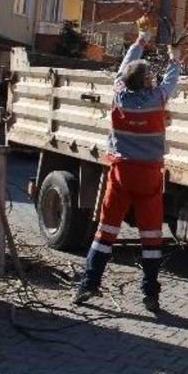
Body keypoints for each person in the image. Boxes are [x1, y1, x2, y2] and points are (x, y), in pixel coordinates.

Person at [72, 25, 181, 311]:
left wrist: (140, 41)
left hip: (120, 175)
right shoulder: (157, 99)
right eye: (149, 75)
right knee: (151, 237)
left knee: (105, 232)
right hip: (148, 178)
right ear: (146, 82)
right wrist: (175, 57)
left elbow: (124, 68)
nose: (153, 77)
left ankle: (88, 284)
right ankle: (150, 294)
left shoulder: (119, 96)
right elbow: (171, 80)